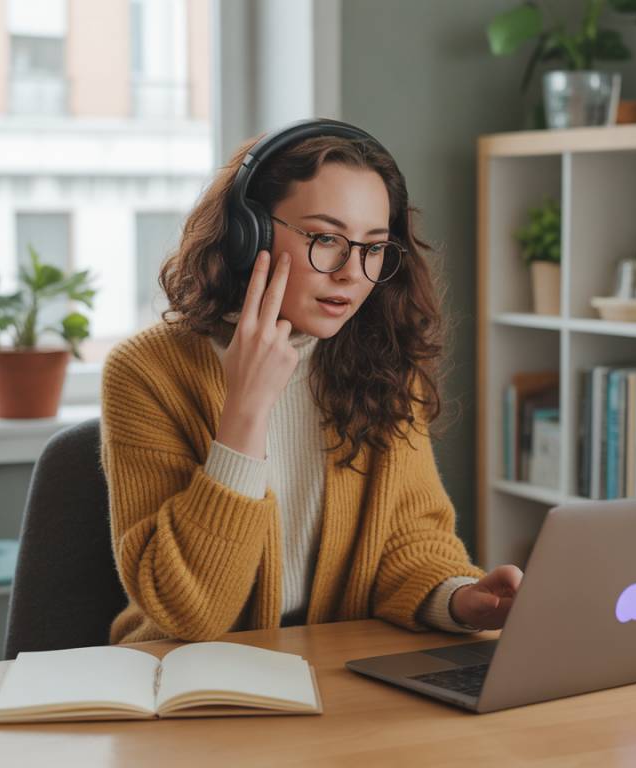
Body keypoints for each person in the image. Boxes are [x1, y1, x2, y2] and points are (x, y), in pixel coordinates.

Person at [101, 120, 523, 645]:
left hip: (332, 669)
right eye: (326, 239)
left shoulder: (383, 361)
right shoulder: (145, 373)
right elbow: (191, 614)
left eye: (373, 247)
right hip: (187, 680)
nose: (352, 272)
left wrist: (460, 599)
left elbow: (409, 538)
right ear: (245, 234)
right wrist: (246, 408)